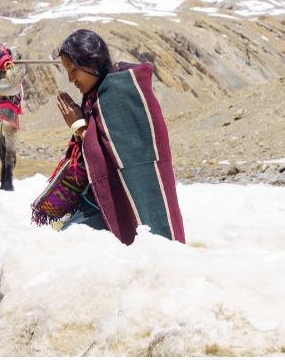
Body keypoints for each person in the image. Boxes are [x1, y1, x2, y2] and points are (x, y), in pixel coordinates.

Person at [54, 29, 186, 244]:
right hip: (104, 199)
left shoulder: (119, 92)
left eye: (73, 69)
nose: (70, 79)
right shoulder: (95, 97)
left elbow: (117, 157)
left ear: (91, 62)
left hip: (131, 201)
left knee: (70, 244)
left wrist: (78, 126)